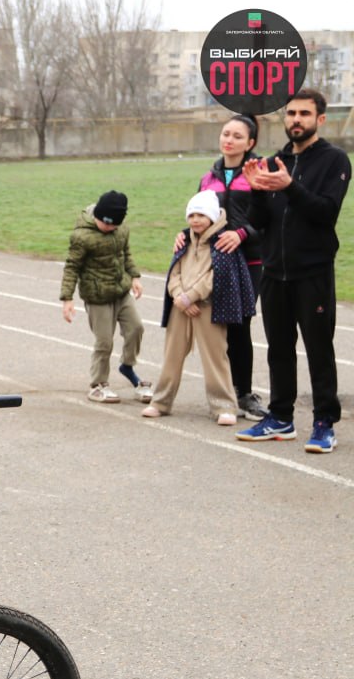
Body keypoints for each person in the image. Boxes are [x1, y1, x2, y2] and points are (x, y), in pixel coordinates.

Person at [237, 89, 350, 452]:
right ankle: (280, 418)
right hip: (274, 273)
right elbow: (257, 223)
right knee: (279, 349)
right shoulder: (272, 161)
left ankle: (323, 423)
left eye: (304, 113)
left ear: (320, 119)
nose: (295, 120)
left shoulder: (335, 161)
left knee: (319, 349)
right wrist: (255, 191)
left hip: (312, 272)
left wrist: (290, 187)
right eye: (290, 114)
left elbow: (324, 212)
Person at [179, 114, 268, 420]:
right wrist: (183, 234)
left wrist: (242, 234)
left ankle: (244, 394)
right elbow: (198, 215)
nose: (229, 140)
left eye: (237, 136)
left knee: (240, 324)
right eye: (225, 133)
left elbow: (270, 219)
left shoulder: (260, 172)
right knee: (218, 326)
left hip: (249, 259)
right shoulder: (209, 177)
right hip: (214, 260)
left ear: (251, 143)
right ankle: (224, 393)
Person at [142, 191, 255, 424]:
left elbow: (217, 277)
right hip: (180, 307)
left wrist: (191, 297)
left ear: (212, 216)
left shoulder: (222, 242)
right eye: (191, 214)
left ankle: (224, 406)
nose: (195, 220)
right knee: (172, 356)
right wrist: (179, 297)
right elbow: (174, 272)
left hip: (209, 308)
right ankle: (161, 402)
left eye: (201, 215)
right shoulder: (184, 239)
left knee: (215, 357)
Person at [60, 190, 151, 404]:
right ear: (97, 216)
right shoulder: (82, 237)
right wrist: (67, 298)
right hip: (97, 297)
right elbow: (72, 267)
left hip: (121, 291)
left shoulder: (121, 230)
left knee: (136, 328)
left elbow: (125, 254)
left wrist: (135, 276)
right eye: (105, 223)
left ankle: (127, 365)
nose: (109, 228)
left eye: (114, 225)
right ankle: (98, 384)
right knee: (104, 342)